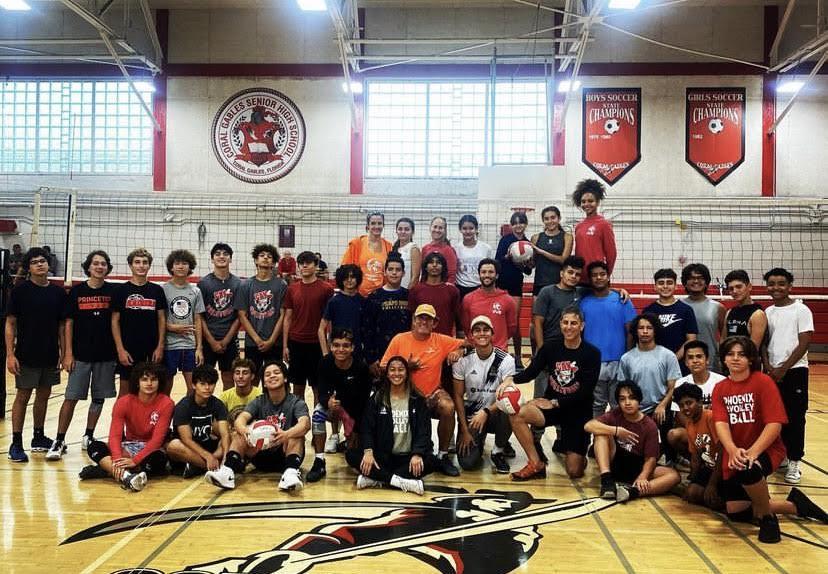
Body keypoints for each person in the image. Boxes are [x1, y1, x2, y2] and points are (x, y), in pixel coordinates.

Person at [712, 336, 828, 543]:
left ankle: (768, 518)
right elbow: (721, 423)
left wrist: (753, 453)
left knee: (748, 469)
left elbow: (775, 423)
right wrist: (732, 449)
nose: (735, 358)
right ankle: (795, 505)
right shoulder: (720, 388)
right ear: (724, 359)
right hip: (735, 452)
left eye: (741, 354)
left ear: (750, 359)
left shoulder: (763, 382)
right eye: (730, 354)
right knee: (736, 512)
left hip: (766, 449)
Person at [504, 307, 600, 480]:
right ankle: (536, 463)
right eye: (565, 322)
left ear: (582, 326)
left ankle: (579, 457)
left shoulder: (592, 353)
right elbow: (531, 372)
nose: (569, 327)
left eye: (573, 323)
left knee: (574, 472)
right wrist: (510, 379)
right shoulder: (550, 347)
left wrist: (555, 402)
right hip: (552, 408)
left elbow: (585, 392)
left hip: (578, 412)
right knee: (517, 413)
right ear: (560, 324)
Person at [47, 250, 117, 461]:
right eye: (95, 263)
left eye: (103, 264)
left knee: (99, 398)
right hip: (80, 355)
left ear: (107, 268)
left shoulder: (113, 292)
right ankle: (59, 439)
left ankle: (89, 435)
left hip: (105, 355)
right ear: (88, 267)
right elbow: (68, 324)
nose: (99, 267)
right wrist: (67, 353)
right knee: (72, 397)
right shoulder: (77, 292)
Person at [381, 304, 466, 476]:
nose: (424, 322)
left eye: (428, 319)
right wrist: (407, 366)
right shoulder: (399, 339)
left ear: (435, 323)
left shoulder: (441, 340)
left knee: (448, 407)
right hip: (405, 396)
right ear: (413, 320)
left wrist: (459, 351)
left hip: (432, 394)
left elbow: (468, 343)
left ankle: (442, 455)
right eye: (420, 318)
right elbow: (384, 367)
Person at [205, 360, 310, 492]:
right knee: (239, 434)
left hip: (284, 455)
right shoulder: (259, 401)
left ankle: (290, 474)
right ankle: (227, 472)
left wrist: (286, 434)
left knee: (297, 436)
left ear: (285, 378)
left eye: (276, 373)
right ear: (264, 382)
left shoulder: (296, 402)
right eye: (268, 374)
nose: (272, 376)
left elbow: (305, 424)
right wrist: (245, 431)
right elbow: (240, 419)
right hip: (260, 454)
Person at [5, 247, 66, 463]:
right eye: (34, 262)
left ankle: (38, 436)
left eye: (42, 261)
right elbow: (10, 323)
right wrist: (10, 355)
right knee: (23, 396)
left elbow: (62, 326)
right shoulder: (20, 291)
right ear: (29, 268)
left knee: (44, 395)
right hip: (26, 353)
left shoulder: (58, 293)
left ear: (48, 265)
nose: (39, 264)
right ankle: (16, 442)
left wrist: (64, 352)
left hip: (49, 354)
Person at [346, 356, 438, 495]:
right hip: (383, 456)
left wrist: (417, 453)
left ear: (407, 373)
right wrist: (368, 451)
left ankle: (377, 479)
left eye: (401, 370)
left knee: (432, 461)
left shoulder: (417, 399)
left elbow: (424, 431)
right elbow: (367, 428)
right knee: (351, 455)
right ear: (387, 374)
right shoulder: (377, 398)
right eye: (392, 370)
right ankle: (402, 481)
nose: (396, 373)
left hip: (408, 457)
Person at [80, 362, 174, 492]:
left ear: (159, 382)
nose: (149, 383)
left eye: (153, 379)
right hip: (129, 446)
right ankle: (127, 476)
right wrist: (117, 459)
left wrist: (135, 460)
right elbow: (115, 435)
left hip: (151, 449)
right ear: (137, 382)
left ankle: (107, 470)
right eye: (144, 379)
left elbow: (157, 440)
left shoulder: (167, 403)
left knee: (159, 460)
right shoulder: (123, 402)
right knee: (94, 446)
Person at [585, 381, 680, 502]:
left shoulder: (649, 425)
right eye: (622, 399)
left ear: (639, 400)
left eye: (632, 398)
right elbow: (589, 426)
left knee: (673, 476)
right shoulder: (615, 414)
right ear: (618, 402)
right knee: (601, 433)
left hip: (637, 466)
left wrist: (643, 476)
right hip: (615, 461)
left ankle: (632, 492)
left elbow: (651, 459)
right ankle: (606, 481)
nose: (627, 403)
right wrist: (616, 431)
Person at [763, 267, 814, 485]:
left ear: (790, 286)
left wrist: (783, 368)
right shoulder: (767, 312)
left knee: (795, 418)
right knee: (775, 417)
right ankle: (782, 455)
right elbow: (764, 343)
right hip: (772, 372)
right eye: (771, 284)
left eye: (781, 283)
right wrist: (768, 366)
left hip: (795, 372)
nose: (776, 287)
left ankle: (795, 461)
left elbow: (805, 342)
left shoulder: (801, 310)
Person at [307, 329, 372, 483]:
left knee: (354, 456)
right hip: (334, 408)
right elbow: (322, 393)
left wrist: (354, 428)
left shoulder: (361, 367)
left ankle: (350, 443)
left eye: (345, 346)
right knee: (317, 414)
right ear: (330, 346)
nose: (341, 349)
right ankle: (319, 461)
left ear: (352, 348)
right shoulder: (324, 363)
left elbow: (364, 402)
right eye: (336, 345)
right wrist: (327, 403)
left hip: (354, 410)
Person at [452, 316, 516, 473]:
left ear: (492, 334)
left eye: (486, 330)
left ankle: (498, 450)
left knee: (511, 405)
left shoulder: (505, 359)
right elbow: (458, 396)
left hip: (495, 413)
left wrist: (486, 411)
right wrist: (465, 430)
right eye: (477, 330)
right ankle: (479, 441)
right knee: (467, 463)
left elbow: (509, 394)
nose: (482, 333)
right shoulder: (462, 360)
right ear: (471, 335)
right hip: (473, 415)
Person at [618, 314, 682, 461]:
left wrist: (662, 405)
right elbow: (624, 389)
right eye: (641, 328)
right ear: (636, 331)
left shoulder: (667, 356)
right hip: (636, 409)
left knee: (664, 426)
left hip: (660, 408)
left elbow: (673, 387)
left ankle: (670, 459)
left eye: (649, 328)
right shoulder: (626, 358)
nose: (645, 331)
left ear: (655, 330)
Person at [579, 260, 637, 418]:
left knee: (618, 405)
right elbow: (579, 333)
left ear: (608, 276)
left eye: (602, 274)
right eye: (594, 275)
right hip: (593, 362)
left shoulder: (622, 300)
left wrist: (627, 357)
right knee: (596, 405)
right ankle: (597, 434)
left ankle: (617, 434)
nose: (599, 278)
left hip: (618, 361)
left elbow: (631, 331)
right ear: (590, 279)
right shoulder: (584, 303)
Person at [111, 248, 166, 396]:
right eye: (137, 262)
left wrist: (160, 347)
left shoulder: (157, 290)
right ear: (130, 265)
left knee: (152, 389)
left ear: (149, 266)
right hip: (128, 349)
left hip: (151, 349)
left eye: (144, 262)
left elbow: (161, 319)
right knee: (125, 391)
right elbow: (115, 321)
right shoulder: (120, 290)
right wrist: (120, 349)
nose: (141, 265)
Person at [282, 251, 334, 403]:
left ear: (316, 265)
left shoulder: (326, 289)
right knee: (297, 387)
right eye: (301, 263)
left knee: (318, 386)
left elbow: (330, 319)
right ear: (298, 266)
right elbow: (287, 318)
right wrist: (285, 345)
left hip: (317, 344)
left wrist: (329, 342)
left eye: (308, 263)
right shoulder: (292, 289)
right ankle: (300, 416)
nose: (304, 266)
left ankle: (318, 417)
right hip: (296, 343)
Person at [167, 365, 231, 477]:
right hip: (189, 449)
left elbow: (225, 434)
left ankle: (200, 467)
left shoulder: (218, 404)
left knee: (231, 436)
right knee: (173, 446)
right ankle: (211, 467)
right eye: (202, 384)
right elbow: (186, 439)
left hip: (209, 447)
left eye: (211, 384)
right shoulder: (183, 406)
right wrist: (207, 456)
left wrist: (226, 458)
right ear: (193, 385)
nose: (207, 388)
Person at [235, 243, 287, 377]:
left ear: (273, 263)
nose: (265, 258)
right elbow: (242, 315)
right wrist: (257, 340)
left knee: (273, 379)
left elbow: (283, 315)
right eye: (262, 255)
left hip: (275, 343)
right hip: (252, 343)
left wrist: (271, 340)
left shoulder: (281, 285)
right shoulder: (246, 285)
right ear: (256, 260)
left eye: (269, 256)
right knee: (252, 379)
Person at [198, 242, 242, 391]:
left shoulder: (238, 284)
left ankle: (227, 406)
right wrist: (211, 341)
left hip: (229, 340)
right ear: (212, 259)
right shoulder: (203, 284)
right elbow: (199, 316)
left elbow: (239, 316)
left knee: (229, 378)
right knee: (205, 379)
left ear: (231, 259)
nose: (221, 256)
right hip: (207, 339)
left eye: (225, 254)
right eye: (217, 254)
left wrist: (226, 340)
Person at [671, 384, 723, 510]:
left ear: (699, 402)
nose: (685, 408)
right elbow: (695, 456)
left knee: (713, 500)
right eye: (681, 405)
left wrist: (712, 484)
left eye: (689, 403)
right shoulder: (689, 423)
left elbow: (723, 451)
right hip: (709, 467)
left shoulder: (710, 417)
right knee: (691, 494)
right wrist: (693, 481)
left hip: (723, 467)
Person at [163, 249, 205, 393]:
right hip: (169, 345)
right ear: (171, 267)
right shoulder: (163, 289)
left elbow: (198, 319)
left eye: (184, 263)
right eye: (177, 263)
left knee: (193, 388)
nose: (181, 266)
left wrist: (199, 348)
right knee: (165, 389)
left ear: (190, 267)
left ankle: (188, 409)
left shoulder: (196, 291)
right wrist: (170, 327)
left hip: (189, 345)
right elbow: (158, 318)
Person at [363, 254, 411, 379]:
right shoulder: (374, 297)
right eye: (390, 269)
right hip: (381, 355)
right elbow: (367, 329)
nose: (394, 273)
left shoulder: (409, 296)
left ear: (403, 273)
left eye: (398, 270)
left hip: (405, 354)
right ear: (384, 272)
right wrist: (371, 358)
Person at [495, 211, 532, 364]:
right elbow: (497, 261)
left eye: (521, 222)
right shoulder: (505, 240)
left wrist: (525, 263)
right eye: (515, 223)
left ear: (525, 224)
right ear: (511, 225)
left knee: (514, 323)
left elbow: (528, 271)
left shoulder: (527, 243)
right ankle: (501, 355)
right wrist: (508, 257)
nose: (518, 226)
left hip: (516, 286)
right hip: (501, 285)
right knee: (500, 321)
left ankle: (517, 357)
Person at [460, 258, 516, 352]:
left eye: (491, 272)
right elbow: (466, 327)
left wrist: (498, 341)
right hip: (475, 351)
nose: (487, 275)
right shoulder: (468, 299)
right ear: (479, 274)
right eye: (483, 272)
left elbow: (511, 329)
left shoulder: (507, 300)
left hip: (499, 350)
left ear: (497, 275)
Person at [643, 268, 698, 363]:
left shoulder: (686, 310)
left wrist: (673, 359)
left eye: (669, 283)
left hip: (679, 364)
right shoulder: (648, 311)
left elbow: (691, 339)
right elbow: (644, 339)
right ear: (655, 287)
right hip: (655, 362)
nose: (665, 286)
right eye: (661, 283)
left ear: (676, 286)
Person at [681, 263, 725, 371]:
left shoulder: (718, 307)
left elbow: (724, 338)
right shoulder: (678, 306)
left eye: (700, 278)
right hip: (684, 363)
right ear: (685, 282)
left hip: (710, 362)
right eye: (691, 278)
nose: (696, 281)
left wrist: (722, 359)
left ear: (706, 282)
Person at [572, 178, 616, 278]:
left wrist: (606, 275)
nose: (586, 204)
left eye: (590, 201)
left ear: (598, 202)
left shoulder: (604, 224)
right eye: (583, 201)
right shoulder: (579, 226)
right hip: (580, 276)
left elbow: (611, 253)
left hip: (597, 277)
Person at [341, 211, 393, 297]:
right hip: (357, 294)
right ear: (367, 226)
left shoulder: (388, 246)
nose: (376, 226)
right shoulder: (356, 244)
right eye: (373, 223)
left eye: (379, 223)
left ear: (383, 225)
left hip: (380, 295)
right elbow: (345, 269)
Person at [408, 251, 460, 336]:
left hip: (444, 338)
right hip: (422, 338)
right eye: (431, 262)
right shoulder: (416, 290)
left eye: (438, 263)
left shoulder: (452, 291)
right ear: (425, 267)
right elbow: (412, 317)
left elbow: (456, 317)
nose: (434, 265)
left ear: (443, 267)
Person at [319, 263, 365, 358]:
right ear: (340, 279)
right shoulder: (334, 302)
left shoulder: (363, 301)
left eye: (352, 277)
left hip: (357, 352)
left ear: (358, 279)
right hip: (337, 351)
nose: (349, 280)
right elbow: (321, 329)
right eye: (345, 277)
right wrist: (325, 353)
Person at [530, 205, 573, 296]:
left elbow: (563, 260)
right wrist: (521, 259)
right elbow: (533, 264)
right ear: (543, 221)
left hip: (560, 284)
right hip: (540, 283)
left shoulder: (567, 237)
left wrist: (541, 252)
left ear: (559, 218)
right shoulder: (536, 237)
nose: (550, 221)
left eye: (553, 218)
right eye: (546, 219)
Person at [723, 269, 767, 351]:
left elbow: (753, 349)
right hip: (730, 357)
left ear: (749, 287)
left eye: (739, 287)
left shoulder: (757, 314)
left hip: (747, 358)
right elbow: (723, 340)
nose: (735, 291)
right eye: (731, 288)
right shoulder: (730, 312)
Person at [453, 214, 493, 299]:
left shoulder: (486, 248)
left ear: (476, 229)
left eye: (471, 228)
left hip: (479, 287)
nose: (468, 231)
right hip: (461, 288)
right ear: (460, 229)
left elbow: (490, 270)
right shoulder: (455, 249)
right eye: (464, 228)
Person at [219, 357, 262, 427]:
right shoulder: (224, 396)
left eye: (245, 373)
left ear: (252, 376)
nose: (241, 376)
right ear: (233, 376)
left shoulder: (260, 396)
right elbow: (217, 422)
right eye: (237, 373)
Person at [421, 216, 458, 285]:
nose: (437, 230)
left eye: (440, 228)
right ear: (430, 228)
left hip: (443, 288)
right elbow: (423, 273)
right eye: (435, 227)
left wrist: (446, 289)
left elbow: (452, 276)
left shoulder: (449, 250)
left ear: (445, 230)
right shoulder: (425, 249)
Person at [391, 217, 421, 290]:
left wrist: (406, 293)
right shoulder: (394, 249)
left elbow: (415, 277)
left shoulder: (414, 248)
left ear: (412, 232)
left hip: (406, 291)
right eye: (400, 229)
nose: (403, 232)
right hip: (394, 291)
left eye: (407, 229)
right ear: (396, 231)